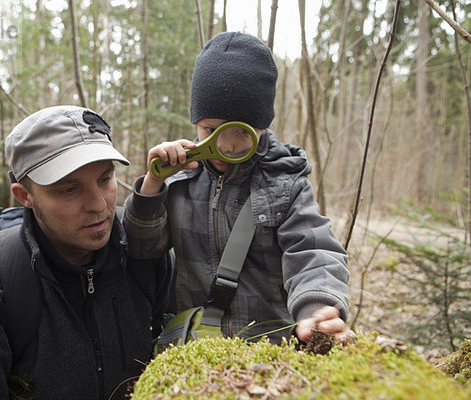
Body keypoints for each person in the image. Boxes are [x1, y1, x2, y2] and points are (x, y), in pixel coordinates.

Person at [123, 32, 351, 345]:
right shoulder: (179, 183)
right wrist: (153, 184)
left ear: (262, 127)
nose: (224, 148)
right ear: (196, 123)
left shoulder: (285, 184)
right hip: (195, 350)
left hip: (269, 349)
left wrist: (316, 308)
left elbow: (313, 250)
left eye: (238, 134)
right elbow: (142, 248)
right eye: (211, 131)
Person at [0, 105, 172, 399]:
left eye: (104, 179)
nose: (98, 204)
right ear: (25, 196)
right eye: (69, 189)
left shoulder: (145, 255)